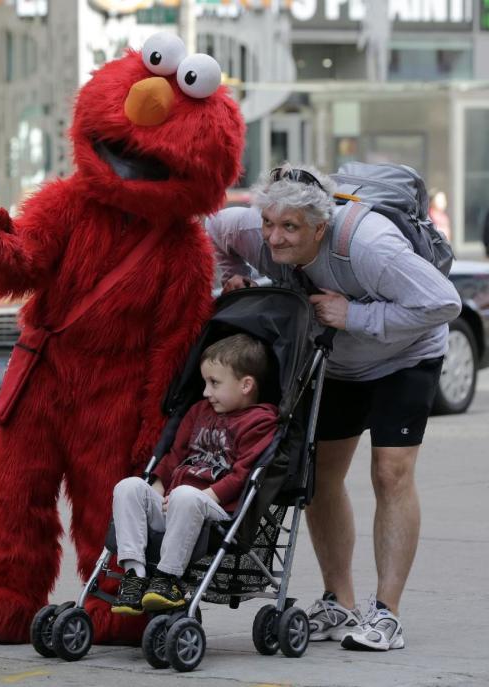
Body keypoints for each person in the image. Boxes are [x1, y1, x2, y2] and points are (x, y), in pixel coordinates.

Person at [207, 163, 461, 652]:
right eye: (269, 223)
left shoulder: (367, 246)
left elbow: (443, 302)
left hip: (406, 355)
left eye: (290, 228)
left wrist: (356, 314)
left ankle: (386, 614)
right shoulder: (250, 230)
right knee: (318, 478)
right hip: (339, 363)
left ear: (321, 228)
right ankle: (338, 601)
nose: (274, 239)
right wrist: (234, 275)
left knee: (390, 474)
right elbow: (210, 232)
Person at [109, 334, 278, 615]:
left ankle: (166, 579)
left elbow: (240, 476)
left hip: (216, 513)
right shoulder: (199, 411)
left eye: (214, 383)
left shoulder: (260, 422)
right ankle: (135, 576)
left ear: (246, 385)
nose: (205, 392)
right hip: (173, 503)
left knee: (186, 497)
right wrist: (159, 491)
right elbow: (174, 456)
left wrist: (195, 496)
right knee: (128, 487)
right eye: (204, 383)